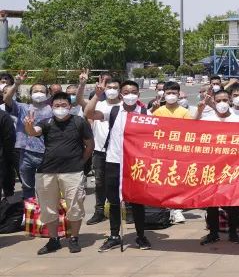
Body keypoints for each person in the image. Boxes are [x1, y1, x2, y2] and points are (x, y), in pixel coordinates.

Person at [83, 79, 152, 250]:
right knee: (113, 200)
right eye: (126, 92)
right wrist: (97, 96)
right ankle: (114, 235)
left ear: (139, 94)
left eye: (133, 92)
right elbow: (89, 113)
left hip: (135, 163)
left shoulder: (145, 112)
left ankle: (141, 236)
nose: (130, 95)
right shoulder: (113, 110)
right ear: (121, 94)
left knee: (136, 200)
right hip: (113, 160)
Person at [23, 92, 93, 254]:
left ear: (70, 106)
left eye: (63, 105)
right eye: (56, 106)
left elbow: (89, 145)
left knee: (75, 206)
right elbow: (33, 132)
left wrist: (81, 162)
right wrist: (28, 125)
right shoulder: (47, 122)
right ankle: (53, 240)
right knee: (48, 208)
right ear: (51, 107)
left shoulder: (79, 122)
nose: (60, 108)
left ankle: (74, 238)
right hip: (47, 172)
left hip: (72, 171)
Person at [196, 88, 239, 245]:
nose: (222, 103)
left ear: (230, 100)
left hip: (232, 166)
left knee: (233, 201)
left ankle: (233, 232)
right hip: (212, 166)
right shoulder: (208, 119)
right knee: (211, 202)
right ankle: (213, 233)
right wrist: (199, 110)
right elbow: (191, 129)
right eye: (218, 101)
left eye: (225, 100)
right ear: (213, 102)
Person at [4, 73, 53, 200]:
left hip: (46, 153)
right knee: (27, 186)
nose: (39, 93)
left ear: (47, 95)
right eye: (35, 91)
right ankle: (30, 210)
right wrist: (16, 84)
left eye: (42, 91)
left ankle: (46, 210)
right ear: (30, 94)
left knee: (47, 187)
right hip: (25, 153)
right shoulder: (22, 107)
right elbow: (7, 99)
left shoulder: (52, 110)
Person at [151, 80, 194, 224]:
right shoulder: (158, 111)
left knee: (176, 181)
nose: (171, 95)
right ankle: (164, 209)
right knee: (163, 181)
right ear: (164, 94)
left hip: (178, 152)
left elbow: (189, 132)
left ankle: (176, 209)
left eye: (174, 93)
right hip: (162, 152)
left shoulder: (184, 112)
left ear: (178, 94)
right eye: (168, 93)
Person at [80, 74, 121, 225]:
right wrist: (96, 94)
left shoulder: (125, 106)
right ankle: (99, 211)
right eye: (109, 87)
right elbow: (86, 111)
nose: (112, 90)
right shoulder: (99, 104)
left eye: (115, 88)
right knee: (100, 182)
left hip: (120, 151)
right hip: (100, 150)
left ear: (120, 90)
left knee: (121, 181)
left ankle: (126, 209)